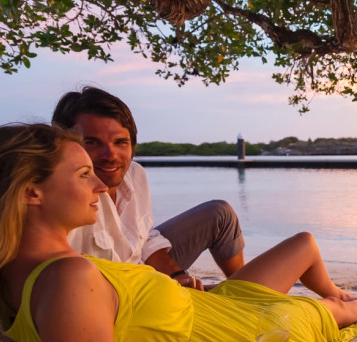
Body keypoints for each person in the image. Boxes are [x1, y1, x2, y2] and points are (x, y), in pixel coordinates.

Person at [0, 123, 357, 342]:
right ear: (32, 192)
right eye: (83, 174)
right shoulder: (68, 278)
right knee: (334, 311)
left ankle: (349, 293)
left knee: (302, 244)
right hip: (235, 337)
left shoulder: (8, 276)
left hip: (216, 304)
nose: (99, 184)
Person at [51, 86, 245, 290]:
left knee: (220, 214)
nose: (110, 155)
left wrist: (177, 275)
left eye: (120, 142)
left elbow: (145, 238)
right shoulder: (59, 195)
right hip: (114, 294)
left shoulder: (135, 174)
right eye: (92, 142)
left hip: (143, 269)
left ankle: (242, 290)